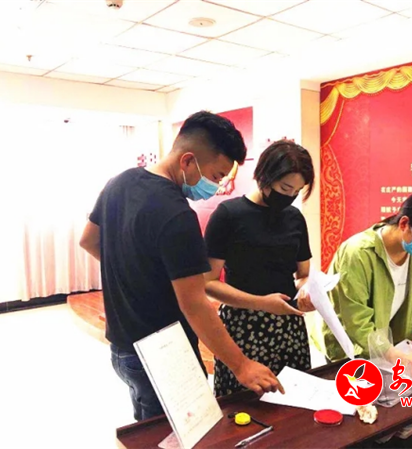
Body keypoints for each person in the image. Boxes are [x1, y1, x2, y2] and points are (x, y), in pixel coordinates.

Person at [79, 111, 282, 421]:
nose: (216, 186)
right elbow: (195, 304)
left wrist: (132, 271)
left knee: (146, 429)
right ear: (188, 161)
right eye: (216, 176)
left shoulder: (118, 183)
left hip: (122, 348)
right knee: (179, 433)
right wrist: (242, 365)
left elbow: (88, 240)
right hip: (164, 354)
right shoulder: (177, 215)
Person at [203, 140, 315, 396]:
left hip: (288, 325)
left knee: (294, 399)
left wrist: (307, 291)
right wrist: (261, 303)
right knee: (244, 404)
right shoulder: (228, 215)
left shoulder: (294, 218)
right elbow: (208, 283)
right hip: (243, 326)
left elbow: (303, 274)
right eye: (285, 188)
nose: (289, 196)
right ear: (265, 176)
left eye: (297, 191)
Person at [317, 190, 412, 375]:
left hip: (387, 349)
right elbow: (356, 320)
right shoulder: (358, 253)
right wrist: (396, 357)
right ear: (404, 223)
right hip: (351, 350)